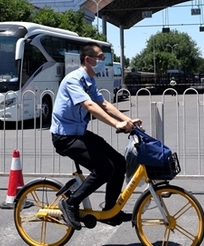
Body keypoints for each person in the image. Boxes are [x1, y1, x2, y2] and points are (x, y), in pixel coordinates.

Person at [50, 42, 142, 230]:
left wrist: (128, 121)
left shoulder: (89, 80)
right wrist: (116, 124)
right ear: (88, 59)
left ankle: (110, 211)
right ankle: (70, 203)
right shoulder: (73, 80)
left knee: (119, 162)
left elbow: (103, 104)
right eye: (100, 57)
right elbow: (90, 106)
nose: (103, 61)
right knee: (105, 169)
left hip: (79, 134)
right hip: (65, 137)